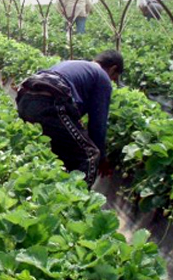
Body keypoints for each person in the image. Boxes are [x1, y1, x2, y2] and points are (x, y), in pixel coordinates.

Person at [16, 50, 124, 189]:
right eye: (114, 78)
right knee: (90, 154)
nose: (112, 82)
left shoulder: (75, 64)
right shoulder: (102, 77)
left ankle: (48, 190)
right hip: (49, 103)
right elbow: (98, 125)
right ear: (113, 68)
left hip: (25, 100)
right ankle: (75, 202)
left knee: (57, 148)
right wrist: (102, 158)